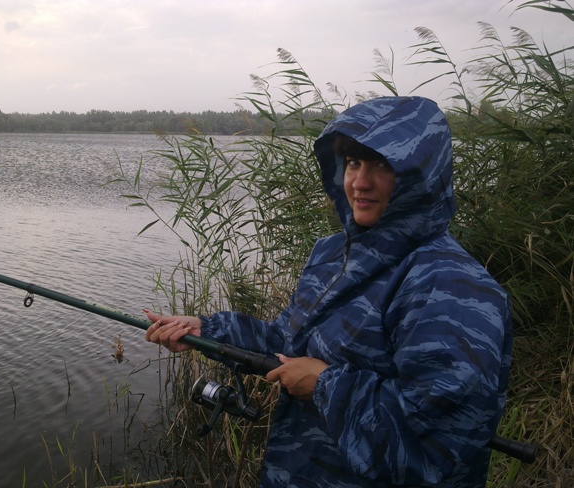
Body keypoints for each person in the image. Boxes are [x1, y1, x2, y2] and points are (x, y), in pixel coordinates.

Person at [144, 96, 512, 487]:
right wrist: (207, 330)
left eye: (382, 165)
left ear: (421, 176)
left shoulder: (451, 287)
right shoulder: (333, 253)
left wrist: (324, 385)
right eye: (353, 163)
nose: (360, 182)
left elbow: (435, 446)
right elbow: (288, 341)